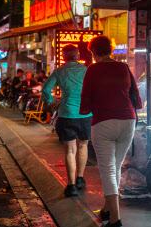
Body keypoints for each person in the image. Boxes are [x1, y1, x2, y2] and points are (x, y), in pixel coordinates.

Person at [80, 36, 142, 227]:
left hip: (104, 122)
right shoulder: (123, 67)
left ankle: (115, 220)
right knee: (114, 166)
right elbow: (135, 95)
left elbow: (86, 99)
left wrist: (84, 110)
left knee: (108, 169)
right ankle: (107, 210)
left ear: (94, 52)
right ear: (111, 50)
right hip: (128, 121)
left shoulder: (92, 69)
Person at [42, 44, 92, 197]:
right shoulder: (86, 70)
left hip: (66, 114)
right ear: (77, 55)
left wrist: (51, 102)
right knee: (83, 146)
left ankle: (71, 186)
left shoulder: (59, 71)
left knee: (70, 150)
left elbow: (45, 89)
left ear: (63, 56)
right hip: (85, 114)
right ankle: (80, 179)